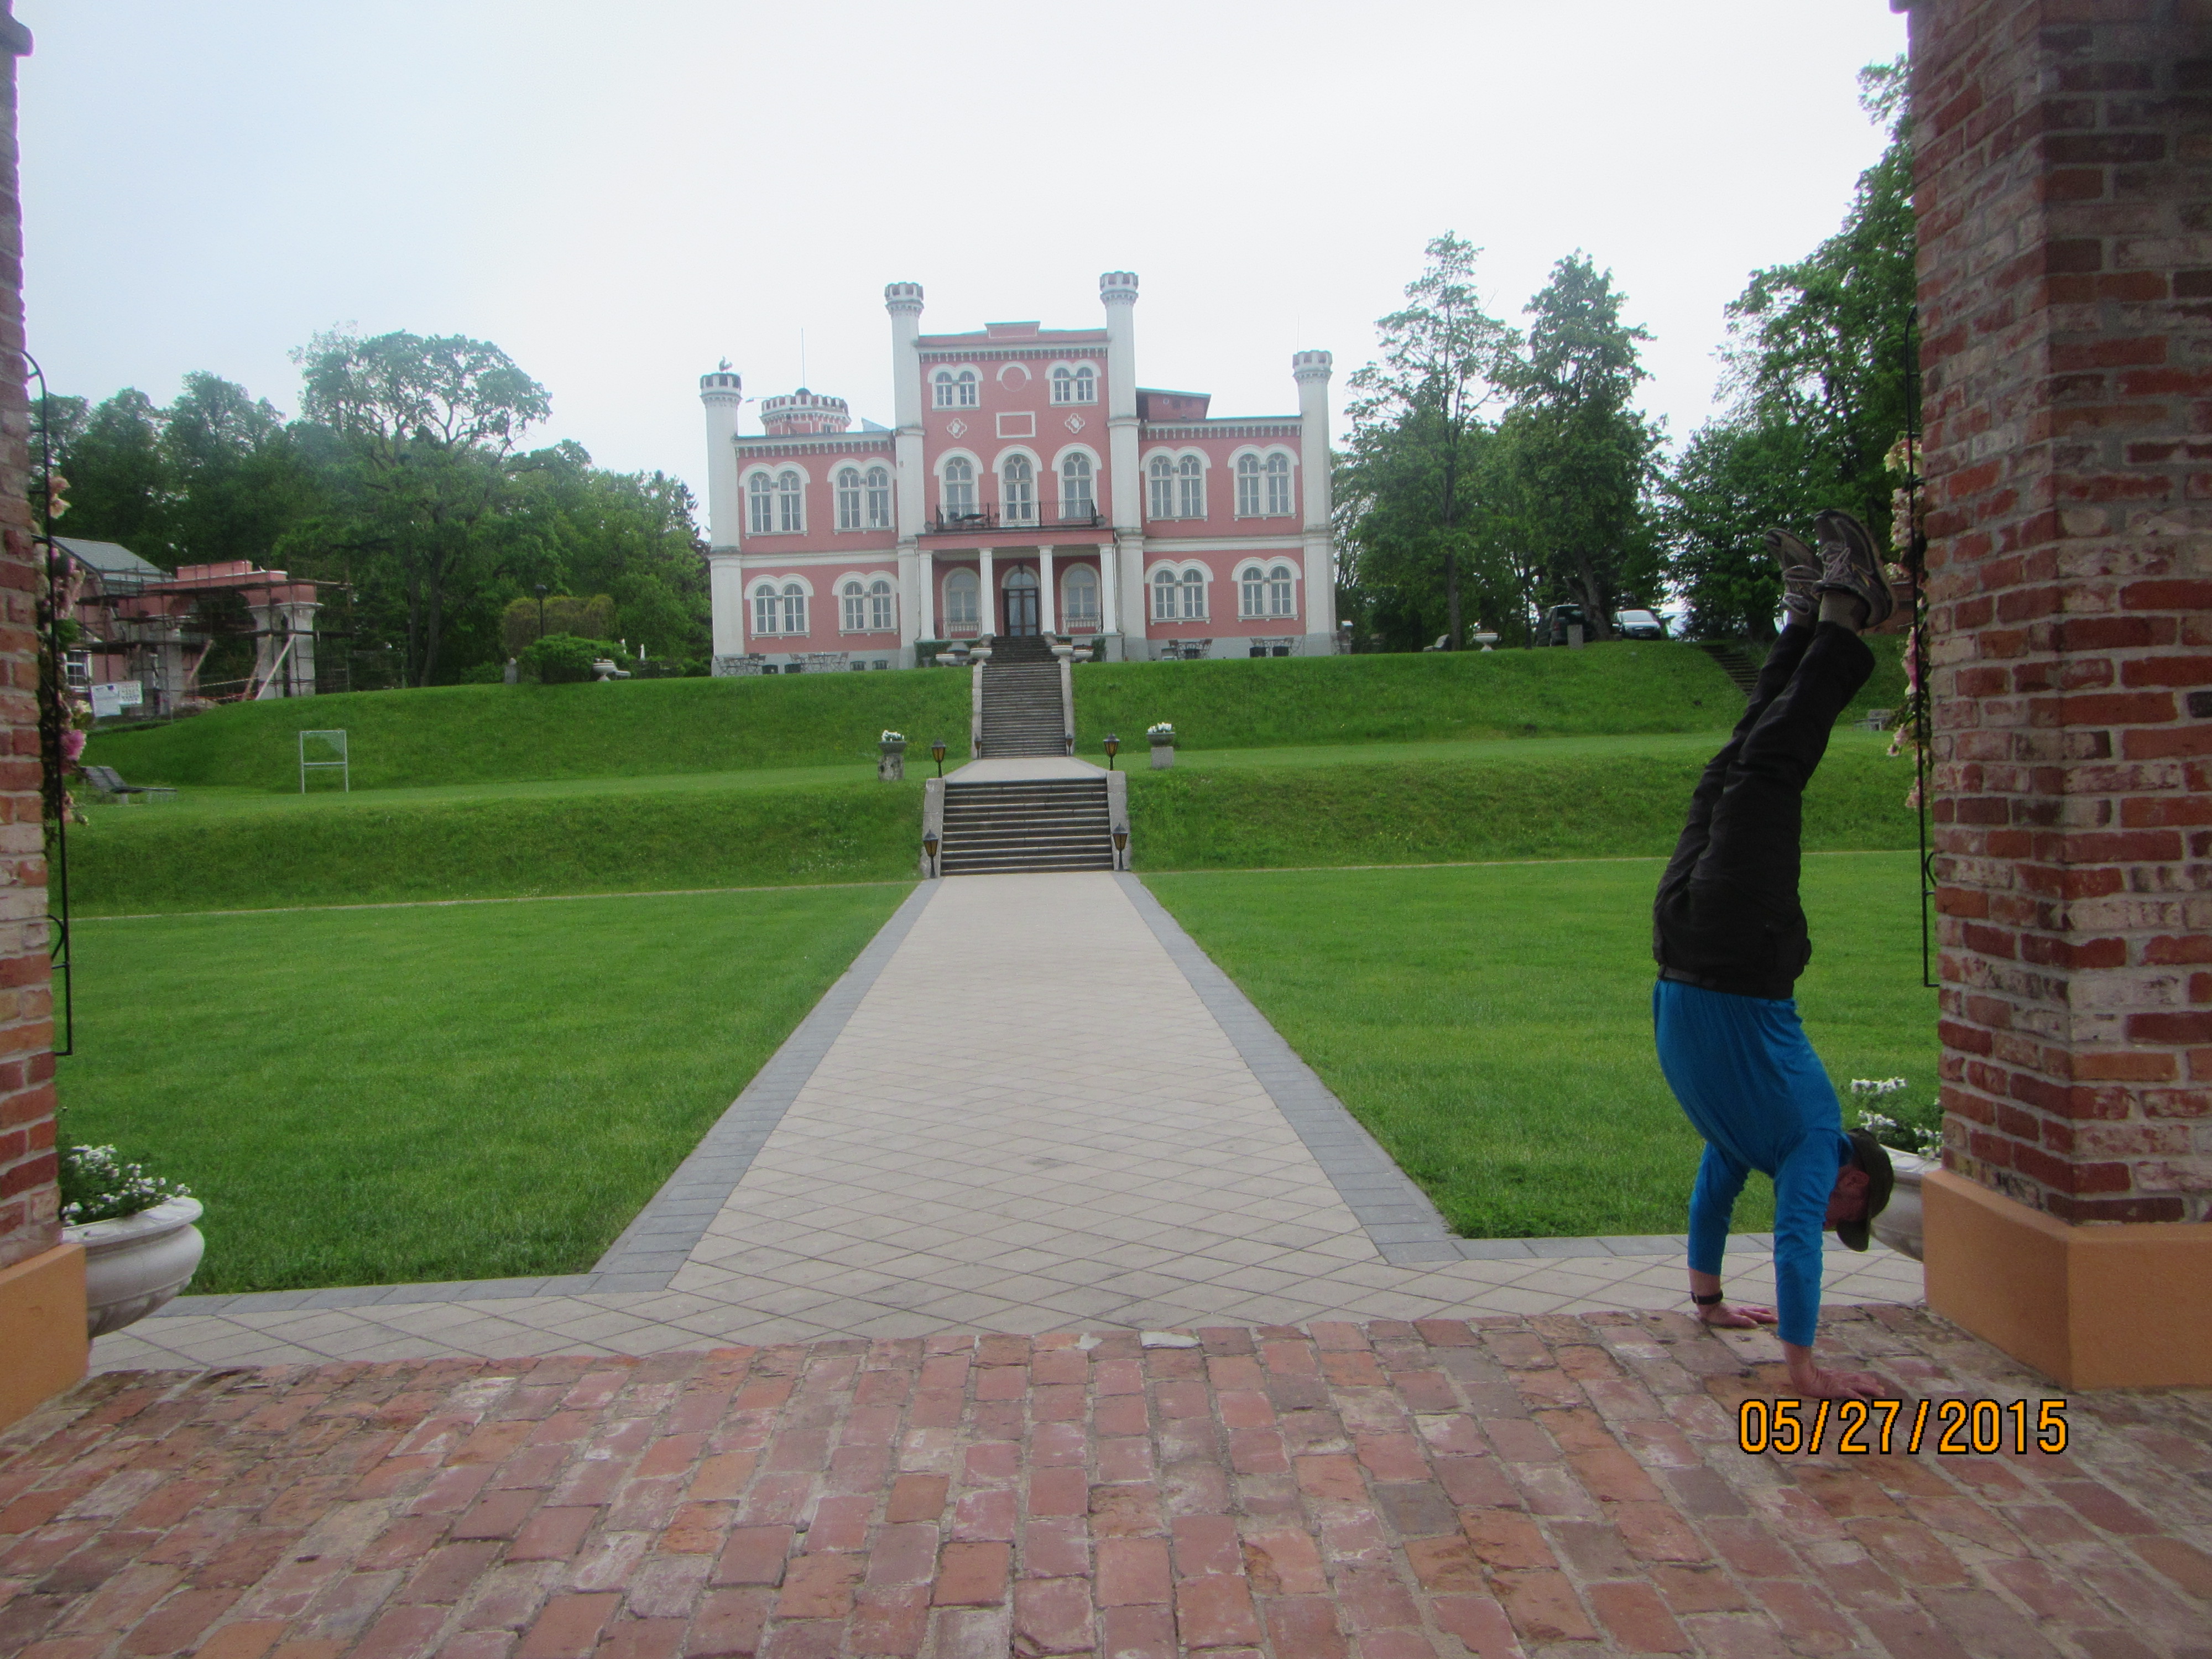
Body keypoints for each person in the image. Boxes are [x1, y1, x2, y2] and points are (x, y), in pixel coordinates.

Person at [1652, 509, 1897, 1403]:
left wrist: (1709, 1300)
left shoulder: (1744, 1142)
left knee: (1730, 766)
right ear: (1853, 1180)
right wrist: (1803, 1368)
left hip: (1684, 947)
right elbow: (1796, 1243)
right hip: (1743, 948)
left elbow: (1711, 1199)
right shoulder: (1812, 1141)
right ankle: (1848, 612)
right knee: (1768, 771)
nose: (1835, 1222)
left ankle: (1800, 621)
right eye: (1851, 1215)